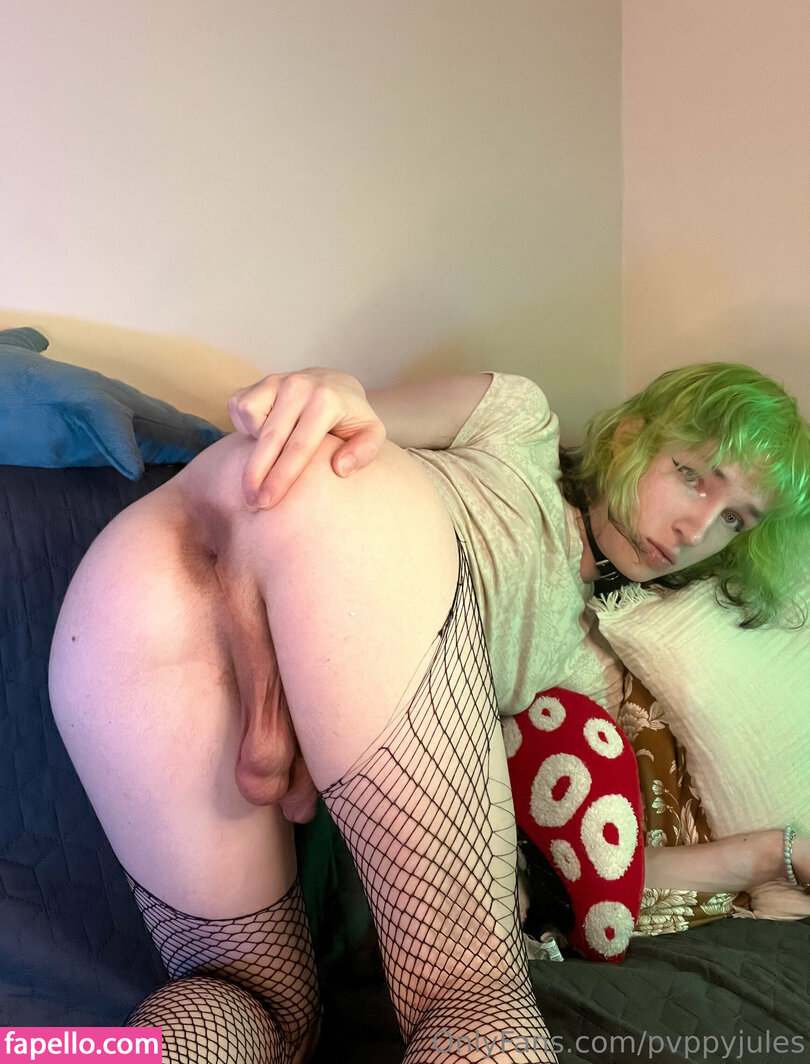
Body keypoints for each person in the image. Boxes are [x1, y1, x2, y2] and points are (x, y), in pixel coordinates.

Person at [48, 362, 809, 1063]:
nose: (695, 531)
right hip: (311, 510)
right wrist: (332, 388)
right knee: (473, 998)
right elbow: (352, 419)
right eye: (691, 476)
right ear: (628, 436)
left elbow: (603, 870)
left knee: (247, 999)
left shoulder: (579, 661)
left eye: (735, 520)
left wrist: (764, 856)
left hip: (140, 577)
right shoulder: (521, 422)